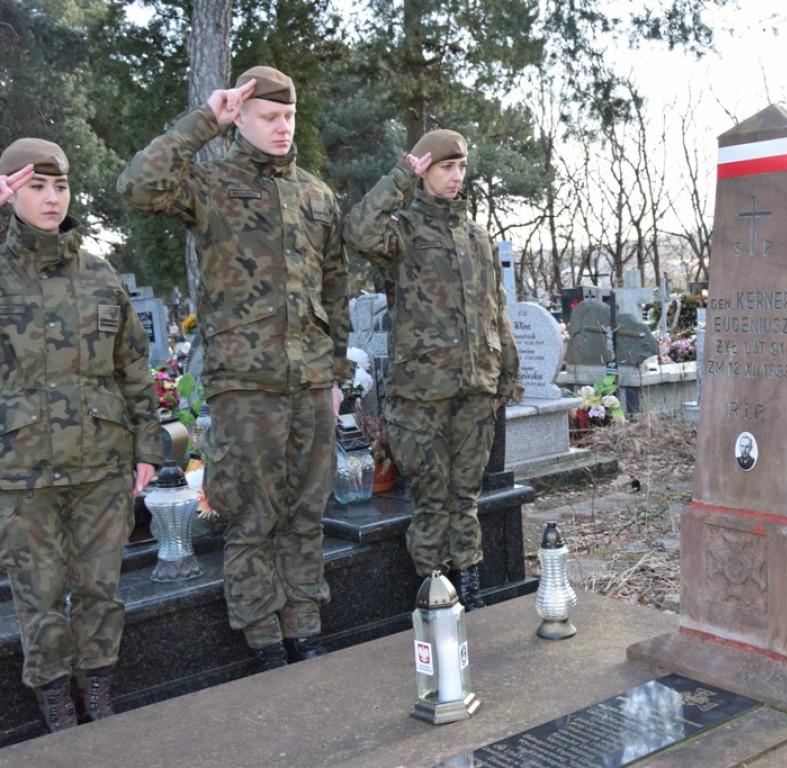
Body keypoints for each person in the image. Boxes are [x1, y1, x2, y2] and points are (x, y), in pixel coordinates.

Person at [118, 66, 352, 670]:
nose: (282, 128)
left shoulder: (317, 195)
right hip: (245, 385)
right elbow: (138, 187)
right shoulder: (210, 184)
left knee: (306, 512)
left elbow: (335, 292)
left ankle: (304, 628)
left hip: (309, 383)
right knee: (252, 516)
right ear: (241, 118)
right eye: (268, 117)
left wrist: (335, 377)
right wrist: (204, 121)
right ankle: (263, 639)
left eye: (289, 117)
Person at [0, 139, 163, 732]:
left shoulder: (99, 276)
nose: (50, 198)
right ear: (9, 192)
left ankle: (97, 695)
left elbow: (133, 368)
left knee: (102, 592)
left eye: (60, 186)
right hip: (21, 470)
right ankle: (54, 711)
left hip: (100, 462)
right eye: (34, 186)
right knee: (37, 598)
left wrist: (149, 446)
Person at [345, 129, 522, 610]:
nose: (456, 177)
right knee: (429, 496)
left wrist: (507, 373)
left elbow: (495, 308)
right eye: (446, 167)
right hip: (422, 392)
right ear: (425, 170)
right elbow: (357, 230)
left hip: (474, 387)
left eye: (461, 167)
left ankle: (470, 586)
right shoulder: (402, 231)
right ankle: (434, 594)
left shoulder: (476, 236)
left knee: (466, 496)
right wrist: (402, 175)